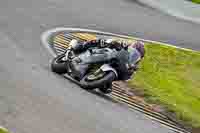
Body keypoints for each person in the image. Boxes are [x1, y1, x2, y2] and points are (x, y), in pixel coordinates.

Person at [70, 38, 145, 80]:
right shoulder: (124, 46)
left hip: (117, 64)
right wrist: (112, 43)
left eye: (137, 54)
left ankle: (97, 76)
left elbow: (129, 75)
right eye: (133, 50)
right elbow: (112, 42)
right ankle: (79, 46)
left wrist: (132, 69)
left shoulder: (134, 62)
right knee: (101, 42)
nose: (134, 54)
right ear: (130, 46)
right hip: (108, 53)